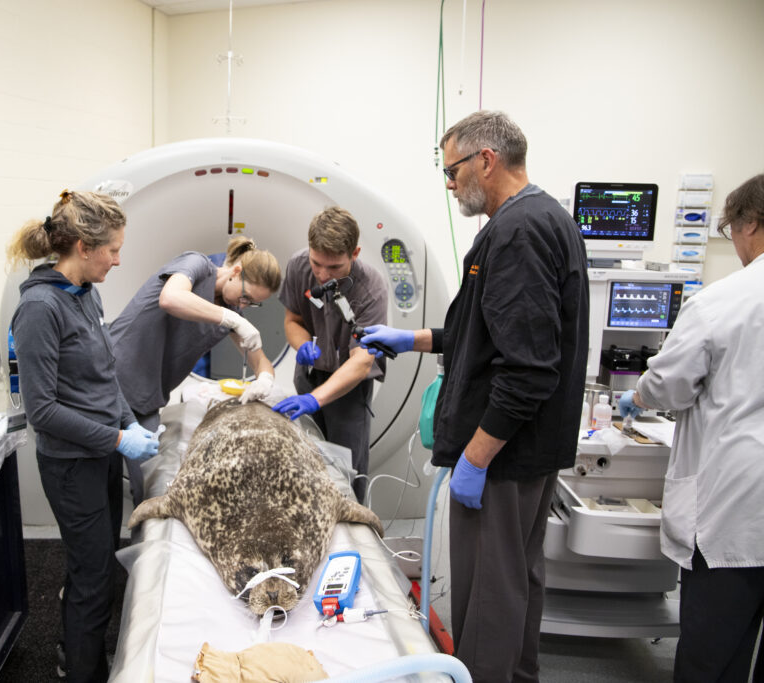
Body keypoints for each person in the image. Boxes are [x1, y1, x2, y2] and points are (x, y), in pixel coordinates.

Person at [358, 111, 589, 682]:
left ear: (486, 160)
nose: (448, 182)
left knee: (488, 598)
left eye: (452, 169)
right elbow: (483, 334)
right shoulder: (543, 217)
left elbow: (529, 369)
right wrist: (410, 338)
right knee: (516, 584)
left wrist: (475, 458)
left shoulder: (519, 232)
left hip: (504, 455)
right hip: (529, 449)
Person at [7, 190, 159, 683]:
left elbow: (103, 372)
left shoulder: (84, 294)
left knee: (94, 567)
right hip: (70, 464)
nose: (118, 259)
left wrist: (127, 419)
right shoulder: (39, 310)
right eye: (112, 249)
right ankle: (83, 671)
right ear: (81, 246)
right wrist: (117, 441)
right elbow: (42, 410)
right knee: (94, 578)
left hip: (99, 453)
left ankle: (79, 650)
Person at [618, 174, 764, 682]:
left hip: (736, 503)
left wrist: (636, 395)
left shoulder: (723, 301)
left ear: (749, 223)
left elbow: (668, 386)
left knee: (713, 652)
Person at [109, 236, 282, 503]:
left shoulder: (230, 310)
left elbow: (261, 361)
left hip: (146, 398)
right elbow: (171, 298)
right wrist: (231, 318)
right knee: (102, 484)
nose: (244, 305)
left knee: (148, 486)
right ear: (236, 272)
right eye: (246, 297)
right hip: (113, 381)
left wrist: (265, 379)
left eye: (252, 304)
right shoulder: (196, 264)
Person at [273, 206, 388, 503]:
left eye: (334, 267)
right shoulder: (299, 266)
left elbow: (362, 362)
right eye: (317, 264)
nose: (323, 274)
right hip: (309, 377)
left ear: (355, 253)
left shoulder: (370, 289)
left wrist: (316, 399)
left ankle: (351, 535)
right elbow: (293, 321)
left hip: (348, 386)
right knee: (304, 467)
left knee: (346, 474)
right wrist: (302, 346)